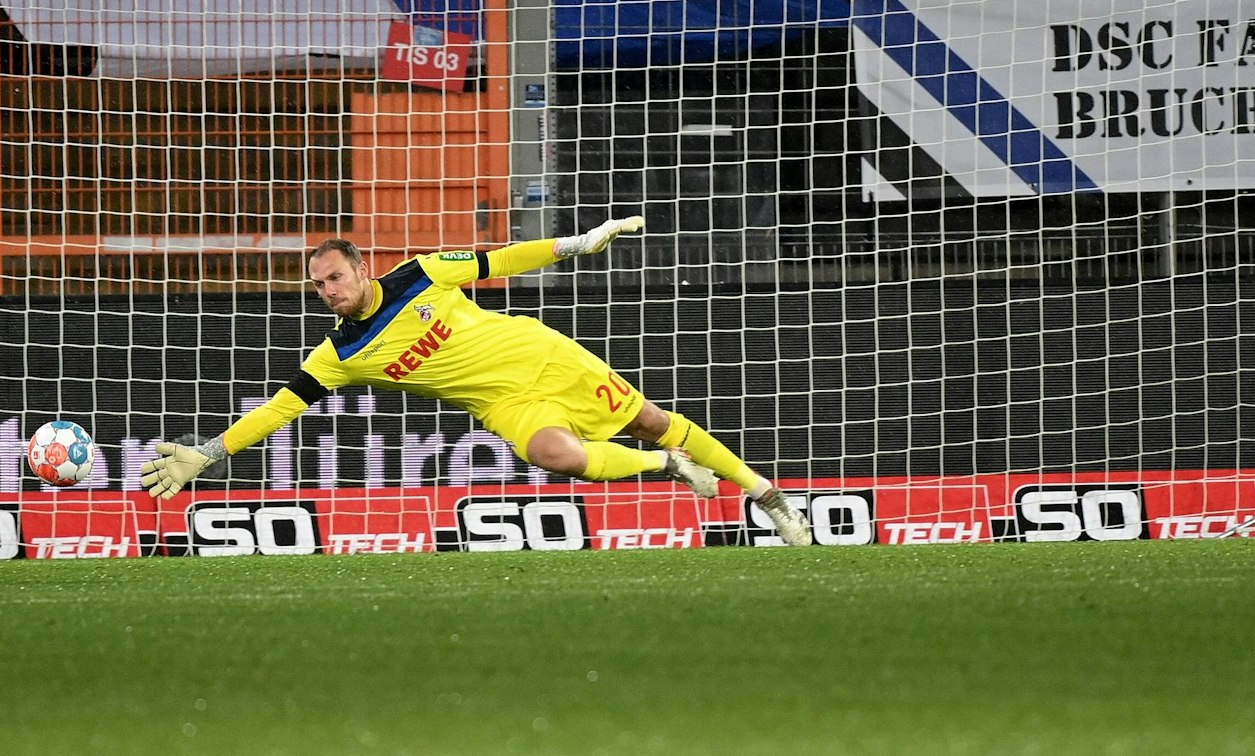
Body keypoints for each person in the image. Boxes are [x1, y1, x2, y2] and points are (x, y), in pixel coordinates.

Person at [140, 218, 815, 546]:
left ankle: (767, 495)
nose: (326, 292)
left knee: (646, 416)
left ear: (361, 267)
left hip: (542, 357)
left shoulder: (420, 273)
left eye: (334, 277)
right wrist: (210, 453)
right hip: (506, 404)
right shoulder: (338, 354)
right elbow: (279, 410)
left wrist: (573, 245)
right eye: (316, 285)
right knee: (558, 456)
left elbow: (500, 258)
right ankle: (667, 468)